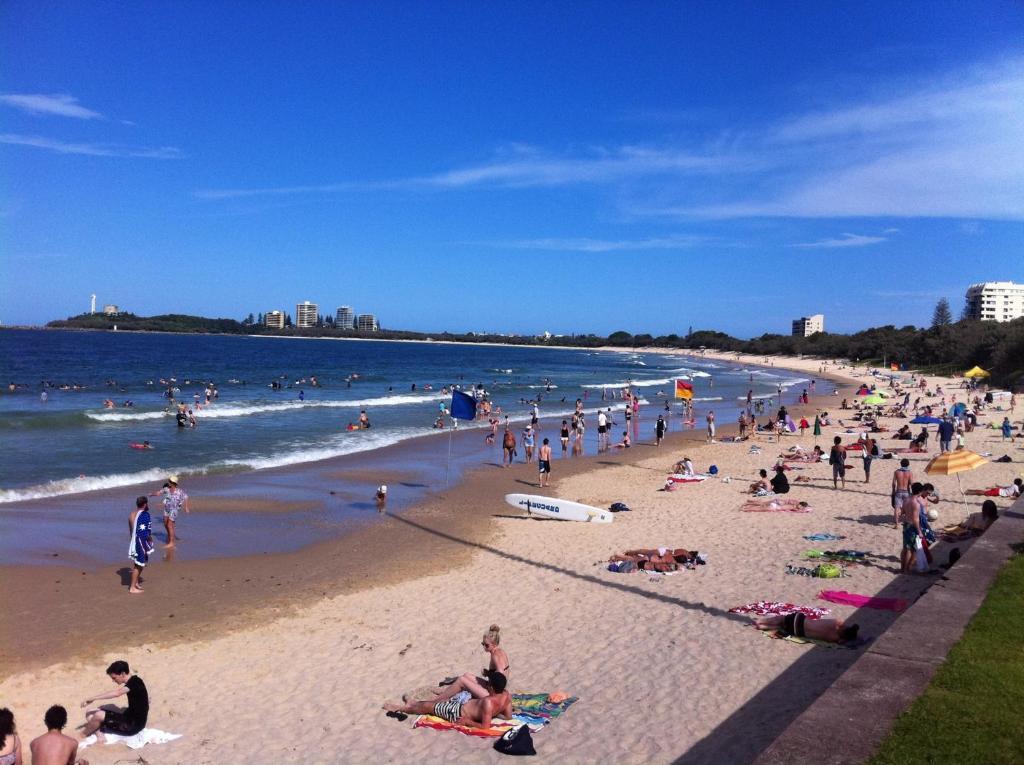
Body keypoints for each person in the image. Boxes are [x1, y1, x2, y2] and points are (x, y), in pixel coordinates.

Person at [386, 672, 512, 729]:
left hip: (457, 712)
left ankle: (403, 708)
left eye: (488, 684)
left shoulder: (488, 702)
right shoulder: (507, 696)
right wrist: (494, 713)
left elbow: (485, 727)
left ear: (492, 687)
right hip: (461, 705)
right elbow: (508, 716)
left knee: (429, 707)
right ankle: (412, 703)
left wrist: (468, 721)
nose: (487, 686)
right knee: (431, 705)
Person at [425, 626, 511, 703]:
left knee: (462, 681)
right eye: (483, 644)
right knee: (467, 675)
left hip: (494, 693)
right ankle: (445, 693)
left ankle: (437, 700)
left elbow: (500, 677)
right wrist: (489, 673)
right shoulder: (500, 651)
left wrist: (489, 674)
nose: (484, 647)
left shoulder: (496, 656)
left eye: (487, 645)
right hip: (493, 688)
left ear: (494, 644)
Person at [79, 661, 149, 742]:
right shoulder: (136, 680)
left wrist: (93, 698)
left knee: (97, 715)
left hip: (132, 726)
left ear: (122, 674)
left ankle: (82, 735)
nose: (113, 680)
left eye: (114, 678)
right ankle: (100, 735)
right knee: (89, 712)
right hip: (130, 718)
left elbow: (117, 693)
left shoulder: (134, 684)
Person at [752, 614, 860, 644]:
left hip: (799, 621)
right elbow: (842, 641)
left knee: (780, 619)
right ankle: (764, 627)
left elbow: (842, 624)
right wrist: (848, 638)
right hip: (798, 632)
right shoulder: (834, 638)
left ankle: (762, 621)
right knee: (781, 626)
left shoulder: (836, 622)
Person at [149, 475, 189, 547]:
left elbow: (186, 497)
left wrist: (186, 507)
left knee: (169, 524)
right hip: (166, 509)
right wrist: (152, 494)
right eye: (169, 481)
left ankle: (171, 543)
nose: (169, 482)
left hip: (174, 510)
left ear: (173, 483)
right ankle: (171, 535)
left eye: (170, 481)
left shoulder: (179, 491)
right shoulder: (167, 489)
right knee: (165, 524)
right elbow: (159, 492)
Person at [127, 496, 154, 595]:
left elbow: (131, 531)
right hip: (141, 541)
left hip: (134, 541)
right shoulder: (145, 515)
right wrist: (149, 540)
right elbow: (147, 530)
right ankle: (132, 587)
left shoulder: (131, 515)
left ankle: (136, 582)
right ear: (145, 504)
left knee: (138, 563)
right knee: (139, 564)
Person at [900, 483, 928, 574]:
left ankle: (902, 568)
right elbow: (916, 519)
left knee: (905, 548)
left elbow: (903, 512)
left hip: (905, 525)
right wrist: (919, 531)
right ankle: (906, 569)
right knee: (910, 549)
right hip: (912, 527)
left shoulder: (906, 500)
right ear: (920, 491)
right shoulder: (916, 503)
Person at [891, 458, 914, 527]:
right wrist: (913, 493)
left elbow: (893, 483)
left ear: (901, 464)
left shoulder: (896, 472)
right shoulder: (910, 472)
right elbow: (911, 483)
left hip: (898, 491)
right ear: (908, 464)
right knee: (907, 508)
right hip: (906, 492)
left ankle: (896, 524)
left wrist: (893, 491)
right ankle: (906, 522)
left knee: (897, 508)